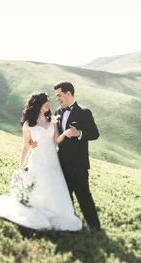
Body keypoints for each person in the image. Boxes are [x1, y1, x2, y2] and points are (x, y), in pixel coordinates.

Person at [0, 91, 82, 231]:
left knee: (55, 184)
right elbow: (26, 147)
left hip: (52, 159)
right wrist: (21, 166)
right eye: (46, 102)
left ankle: (59, 213)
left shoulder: (53, 121)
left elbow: (56, 140)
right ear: (38, 104)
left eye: (49, 102)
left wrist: (65, 133)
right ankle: (38, 209)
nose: (49, 104)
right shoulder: (28, 124)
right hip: (37, 158)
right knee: (40, 185)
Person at [49, 81, 101, 230]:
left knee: (84, 196)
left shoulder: (84, 112)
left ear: (68, 94)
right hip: (62, 163)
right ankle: (71, 223)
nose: (57, 98)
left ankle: (95, 227)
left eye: (59, 95)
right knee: (65, 196)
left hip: (78, 165)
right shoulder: (57, 112)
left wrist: (79, 133)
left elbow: (95, 134)